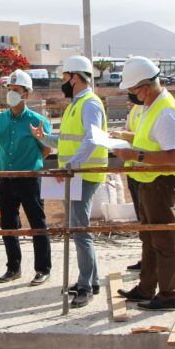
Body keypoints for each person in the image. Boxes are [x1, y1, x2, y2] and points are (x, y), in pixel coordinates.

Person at [112, 57, 175, 311]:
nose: (133, 95)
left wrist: (135, 155)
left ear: (145, 87)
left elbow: (171, 156)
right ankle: (146, 288)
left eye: (134, 90)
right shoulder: (152, 106)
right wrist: (126, 139)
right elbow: (150, 138)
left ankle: (168, 295)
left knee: (164, 240)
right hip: (149, 179)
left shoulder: (166, 111)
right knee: (149, 237)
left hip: (162, 182)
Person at [31, 55, 107, 308]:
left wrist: (71, 166)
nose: (62, 82)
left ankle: (86, 285)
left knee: (79, 230)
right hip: (76, 174)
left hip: (83, 174)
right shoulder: (77, 103)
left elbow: (92, 140)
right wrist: (46, 138)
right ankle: (91, 279)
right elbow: (68, 140)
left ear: (75, 77)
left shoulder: (90, 104)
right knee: (78, 228)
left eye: (64, 77)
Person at [0, 69, 52, 285]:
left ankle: (42, 269)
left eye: (16, 90)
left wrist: (30, 163)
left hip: (30, 179)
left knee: (37, 222)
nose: (11, 93)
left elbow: (46, 149)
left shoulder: (38, 121)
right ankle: (13, 268)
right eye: (9, 89)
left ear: (26, 94)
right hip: (6, 178)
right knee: (8, 223)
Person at [112, 96, 145, 272]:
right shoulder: (135, 109)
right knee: (141, 218)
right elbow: (129, 132)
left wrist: (122, 135)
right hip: (133, 170)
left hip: (145, 171)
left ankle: (150, 260)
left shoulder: (150, 109)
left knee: (149, 219)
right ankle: (146, 257)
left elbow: (142, 138)